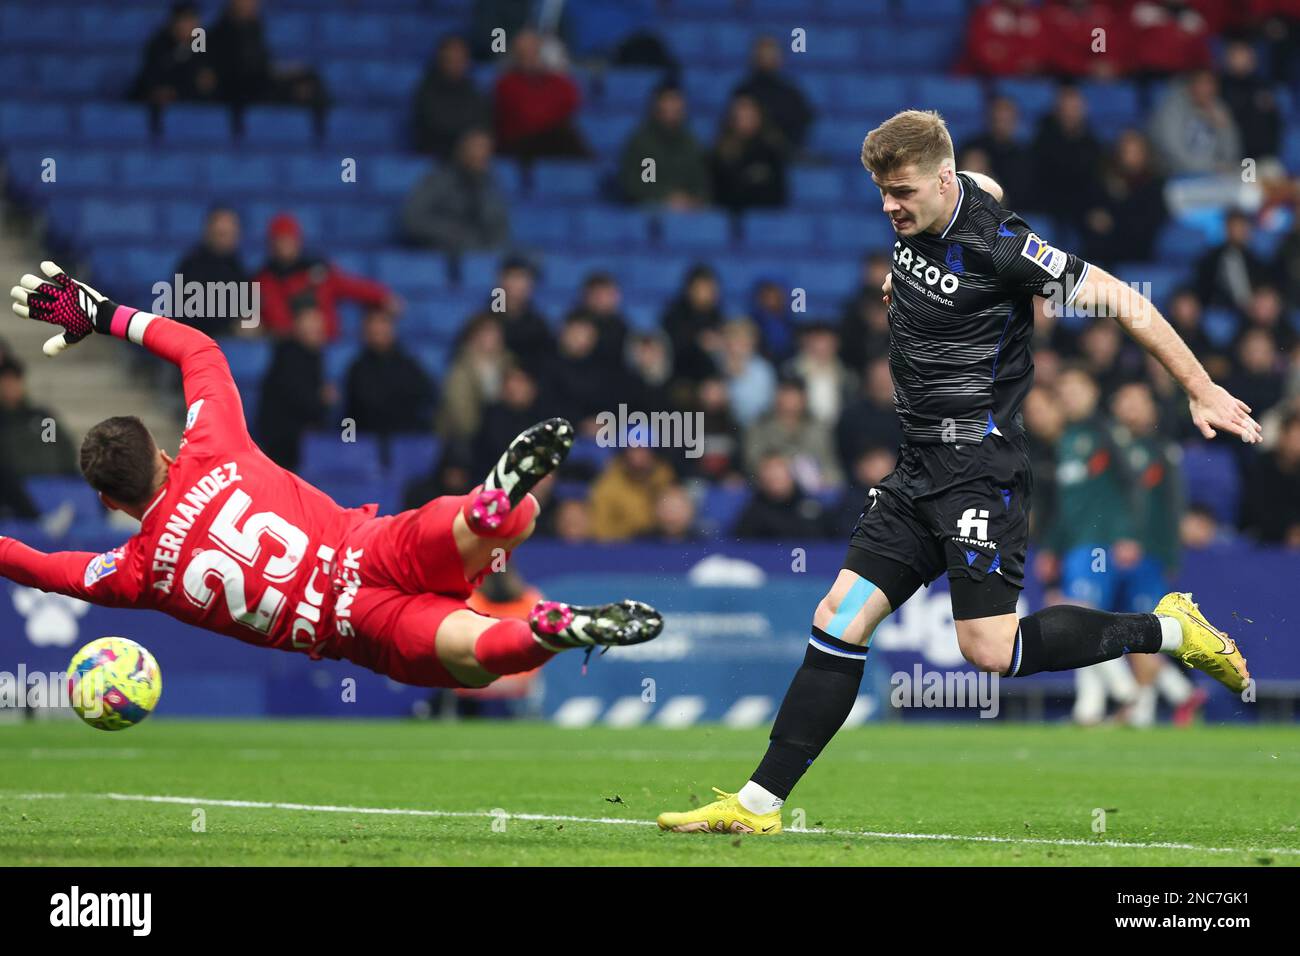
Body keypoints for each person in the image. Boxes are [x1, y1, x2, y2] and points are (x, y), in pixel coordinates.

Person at [658, 109, 1258, 836]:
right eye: (882, 193)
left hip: (980, 470)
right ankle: (758, 806)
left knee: (989, 651)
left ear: (941, 181)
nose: (889, 207)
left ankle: (1168, 630)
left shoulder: (1004, 249)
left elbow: (1127, 302)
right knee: (838, 619)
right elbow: (980, 180)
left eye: (902, 192)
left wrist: (1200, 388)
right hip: (916, 467)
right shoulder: (936, 198)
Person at [3, 262, 663, 693]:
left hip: (354, 622)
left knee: (474, 653)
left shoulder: (137, 570)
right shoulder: (213, 444)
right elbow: (197, 348)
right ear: (166, 455)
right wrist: (101, 314)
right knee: (513, 520)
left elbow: (37, 566)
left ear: (108, 502)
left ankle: (548, 629)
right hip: (368, 545)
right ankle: (487, 509)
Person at [254, 213, 396, 341]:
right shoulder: (260, 281)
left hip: (326, 348)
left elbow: (352, 286)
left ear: (298, 241)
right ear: (271, 244)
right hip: (285, 351)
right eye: (280, 240)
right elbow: (245, 323)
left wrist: (382, 296)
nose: (285, 246)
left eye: (289, 239)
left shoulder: (319, 272)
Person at [401, 128, 511, 254]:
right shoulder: (438, 181)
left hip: (480, 257)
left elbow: (500, 229)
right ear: (461, 150)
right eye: (476, 148)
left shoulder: (491, 186)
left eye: (486, 149)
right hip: (442, 254)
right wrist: (452, 232)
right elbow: (412, 219)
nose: (481, 155)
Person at [343, 309, 437, 441]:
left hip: (407, 441)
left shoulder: (410, 366)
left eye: (383, 323)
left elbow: (427, 398)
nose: (378, 329)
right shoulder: (356, 369)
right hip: (368, 443)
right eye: (373, 324)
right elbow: (350, 415)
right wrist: (348, 442)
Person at [617, 84, 711, 209]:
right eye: (668, 101)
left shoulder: (691, 143)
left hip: (687, 209)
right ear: (657, 105)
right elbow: (644, 183)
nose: (673, 107)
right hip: (653, 208)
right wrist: (667, 197)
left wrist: (693, 199)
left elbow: (700, 181)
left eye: (676, 101)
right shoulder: (644, 143)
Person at [172, 206, 251, 337]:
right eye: (221, 234)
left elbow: (247, 307)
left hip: (231, 343)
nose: (226, 239)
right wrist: (231, 325)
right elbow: (189, 314)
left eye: (230, 233)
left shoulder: (236, 267)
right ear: (208, 232)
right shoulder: (191, 267)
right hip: (197, 341)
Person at [410, 34, 491, 159]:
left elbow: (483, 121)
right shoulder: (427, 90)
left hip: (471, 155)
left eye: (461, 59)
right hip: (438, 156)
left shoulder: (473, 90)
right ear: (441, 59)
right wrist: (464, 140)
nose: (456, 63)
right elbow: (434, 125)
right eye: (451, 59)